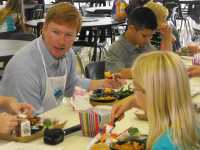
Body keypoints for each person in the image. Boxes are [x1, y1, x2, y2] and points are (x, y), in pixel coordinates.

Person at [0, 3, 122, 114]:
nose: (61, 41)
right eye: (56, 32)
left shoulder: (68, 55)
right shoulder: (24, 68)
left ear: (76, 35)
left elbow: (71, 85)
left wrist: (104, 83)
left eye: (68, 34)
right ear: (44, 29)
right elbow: (29, 120)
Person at [111, 51, 200, 149]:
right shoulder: (192, 124)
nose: (134, 93)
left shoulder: (163, 145)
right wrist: (133, 102)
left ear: (150, 95)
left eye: (135, 88)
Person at [104, 7, 158, 79]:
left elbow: (160, 66)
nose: (148, 40)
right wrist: (149, 71)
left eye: (151, 35)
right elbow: (115, 74)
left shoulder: (147, 46)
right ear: (131, 29)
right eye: (144, 35)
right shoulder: (116, 49)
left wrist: (166, 39)